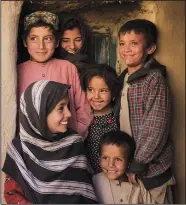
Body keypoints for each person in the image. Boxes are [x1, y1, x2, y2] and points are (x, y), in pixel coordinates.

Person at [2, 80, 97, 204]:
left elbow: (84, 191)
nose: (68, 113)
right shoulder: (19, 149)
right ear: (40, 113)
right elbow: (12, 194)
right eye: (61, 108)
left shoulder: (74, 142)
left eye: (67, 106)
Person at [114, 19, 175, 203]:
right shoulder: (124, 78)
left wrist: (138, 164)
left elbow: (156, 129)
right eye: (122, 44)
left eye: (134, 43)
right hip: (131, 165)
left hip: (151, 170)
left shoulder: (154, 80)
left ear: (150, 48)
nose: (126, 49)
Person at [17, 11, 92, 138]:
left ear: (57, 42)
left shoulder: (68, 68)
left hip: (67, 142)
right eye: (34, 39)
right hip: (30, 144)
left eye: (47, 39)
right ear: (25, 42)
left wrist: (76, 134)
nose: (41, 46)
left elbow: (83, 107)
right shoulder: (17, 72)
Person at [93, 130, 159, 204]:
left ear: (129, 161)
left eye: (118, 159)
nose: (110, 164)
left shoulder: (140, 186)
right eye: (105, 158)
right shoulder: (93, 183)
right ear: (99, 158)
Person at [82, 64, 122, 173]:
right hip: (89, 175)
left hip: (113, 176)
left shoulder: (119, 116)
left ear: (113, 92)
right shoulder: (83, 117)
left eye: (103, 90)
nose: (96, 96)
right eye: (91, 89)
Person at [55, 14, 95, 87]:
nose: (72, 46)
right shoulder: (51, 67)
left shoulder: (93, 69)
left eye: (78, 40)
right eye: (65, 40)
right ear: (57, 42)